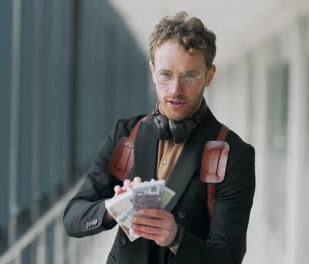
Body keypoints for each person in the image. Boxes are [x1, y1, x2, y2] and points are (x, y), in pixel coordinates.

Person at [63, 11, 255, 264]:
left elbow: (227, 258)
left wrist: (176, 239)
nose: (175, 90)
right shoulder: (125, 135)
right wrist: (113, 208)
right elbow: (73, 218)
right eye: (166, 75)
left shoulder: (234, 154)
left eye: (189, 76)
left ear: (209, 75)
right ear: (153, 71)